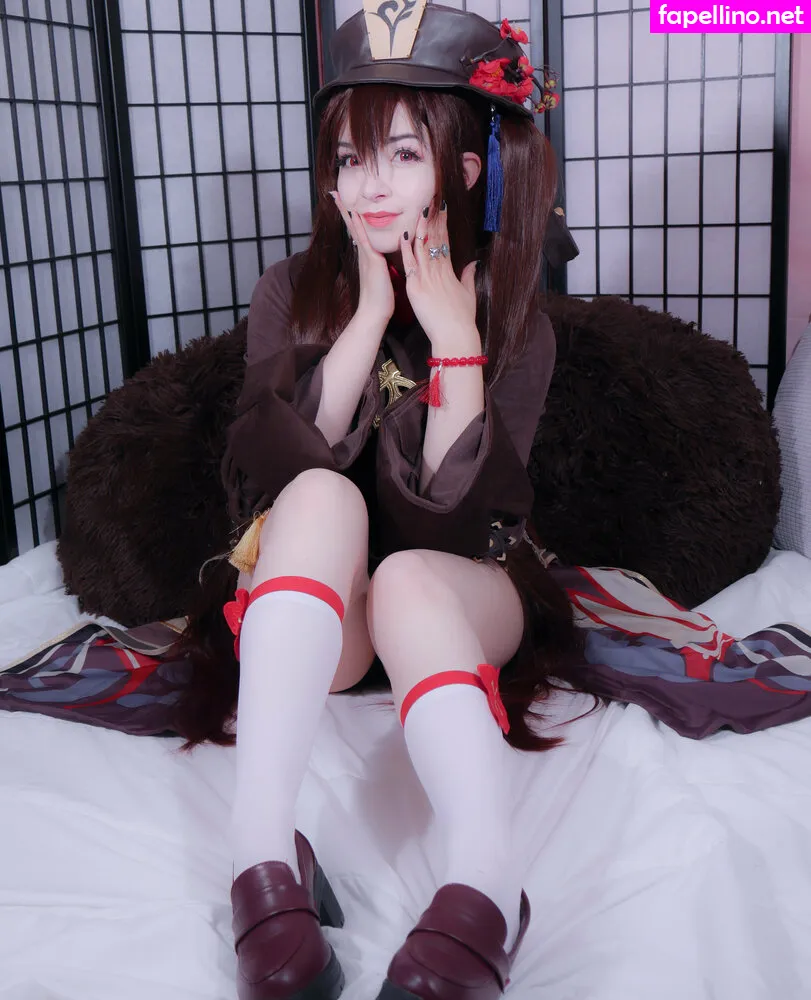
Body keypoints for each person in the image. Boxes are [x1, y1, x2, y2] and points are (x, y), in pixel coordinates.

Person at [171, 4, 585, 998]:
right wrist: (364, 319)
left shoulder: (514, 316)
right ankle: (262, 856)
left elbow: (456, 519)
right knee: (318, 493)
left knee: (408, 578)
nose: (371, 186)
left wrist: (455, 343)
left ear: (464, 169)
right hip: (331, 617)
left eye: (402, 154)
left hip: (458, 591)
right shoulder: (289, 290)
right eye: (350, 160)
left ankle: (486, 881)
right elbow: (273, 479)